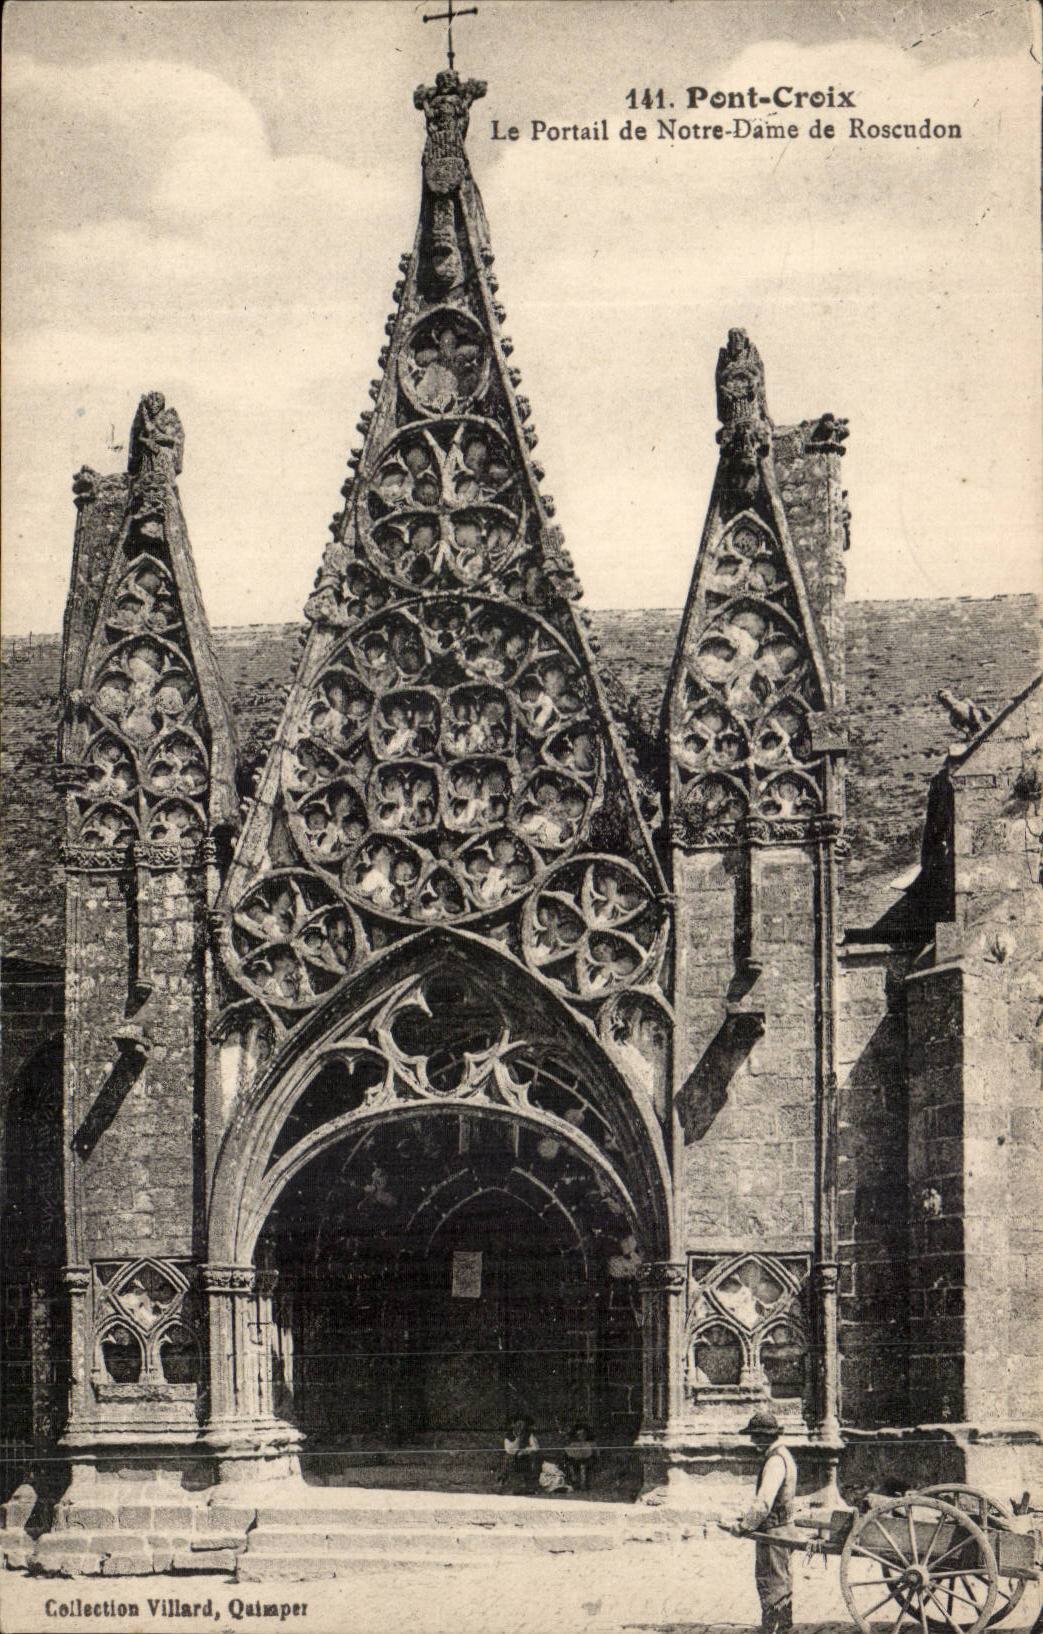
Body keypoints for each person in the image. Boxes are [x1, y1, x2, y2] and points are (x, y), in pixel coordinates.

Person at [736, 1409, 798, 1634]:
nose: (752, 1441)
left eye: (755, 1436)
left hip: (773, 1530)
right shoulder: (784, 1455)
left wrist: (745, 1526)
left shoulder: (775, 1461)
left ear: (765, 1436)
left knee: (771, 1578)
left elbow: (764, 1502)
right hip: (783, 1527)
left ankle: (774, 1627)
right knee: (782, 1576)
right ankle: (783, 1624)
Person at [500, 1416, 539, 1494]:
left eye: (522, 1424)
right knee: (508, 1458)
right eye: (518, 1424)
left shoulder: (529, 1434)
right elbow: (509, 1450)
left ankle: (529, 1483)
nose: (520, 1426)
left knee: (532, 1457)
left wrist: (524, 1451)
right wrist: (518, 1438)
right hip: (512, 1456)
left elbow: (536, 1447)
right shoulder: (508, 1435)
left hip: (524, 1456)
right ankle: (505, 1480)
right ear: (513, 1424)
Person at [565, 1423, 595, 1492]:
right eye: (579, 1434)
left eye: (583, 1434)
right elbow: (570, 1453)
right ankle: (575, 1483)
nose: (581, 1436)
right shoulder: (573, 1444)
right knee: (572, 1467)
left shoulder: (589, 1443)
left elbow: (590, 1454)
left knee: (582, 1467)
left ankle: (583, 1485)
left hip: (585, 1460)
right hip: (576, 1460)